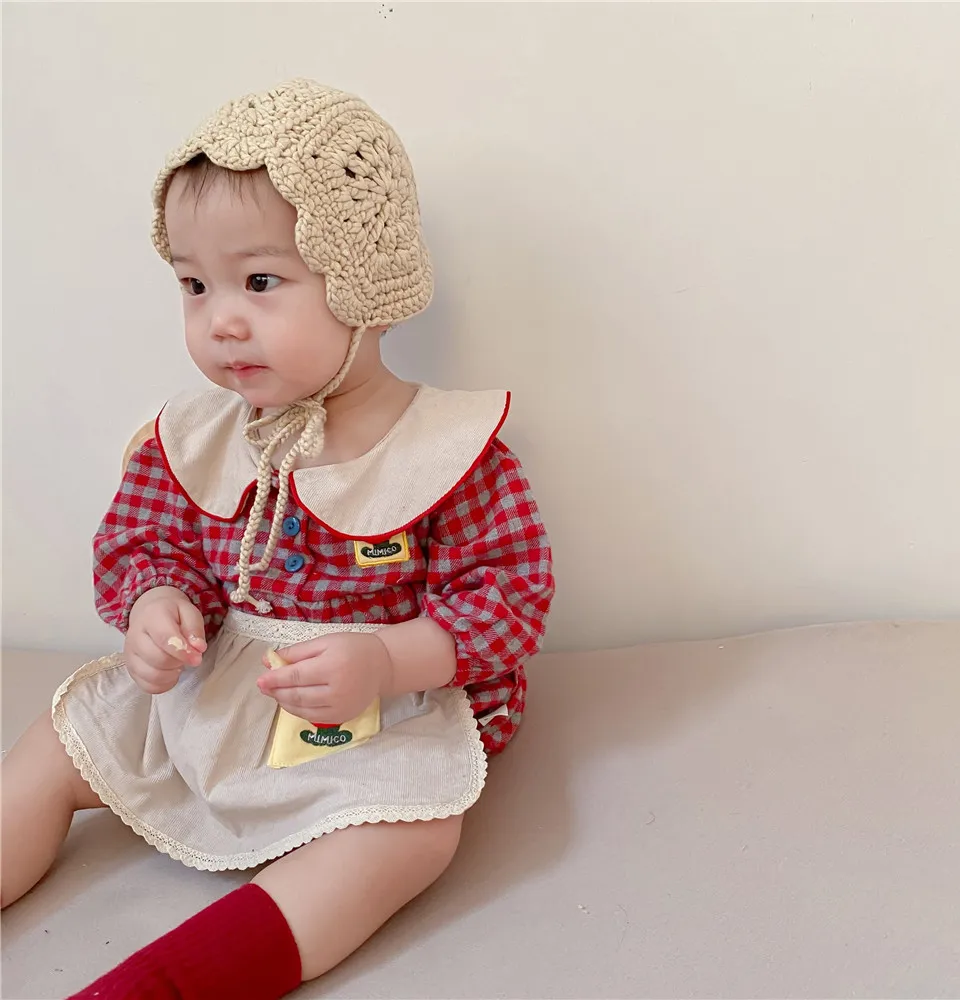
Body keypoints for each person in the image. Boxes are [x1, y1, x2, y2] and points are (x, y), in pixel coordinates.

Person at [1, 79, 554, 1000]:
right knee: (65, 738)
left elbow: (504, 597)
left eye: (260, 282)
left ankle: (173, 982)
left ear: (365, 286)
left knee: (416, 833)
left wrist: (389, 660)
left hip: (369, 714)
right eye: (194, 284)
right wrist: (156, 606)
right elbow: (148, 540)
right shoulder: (195, 438)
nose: (220, 320)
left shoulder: (443, 453)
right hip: (217, 684)